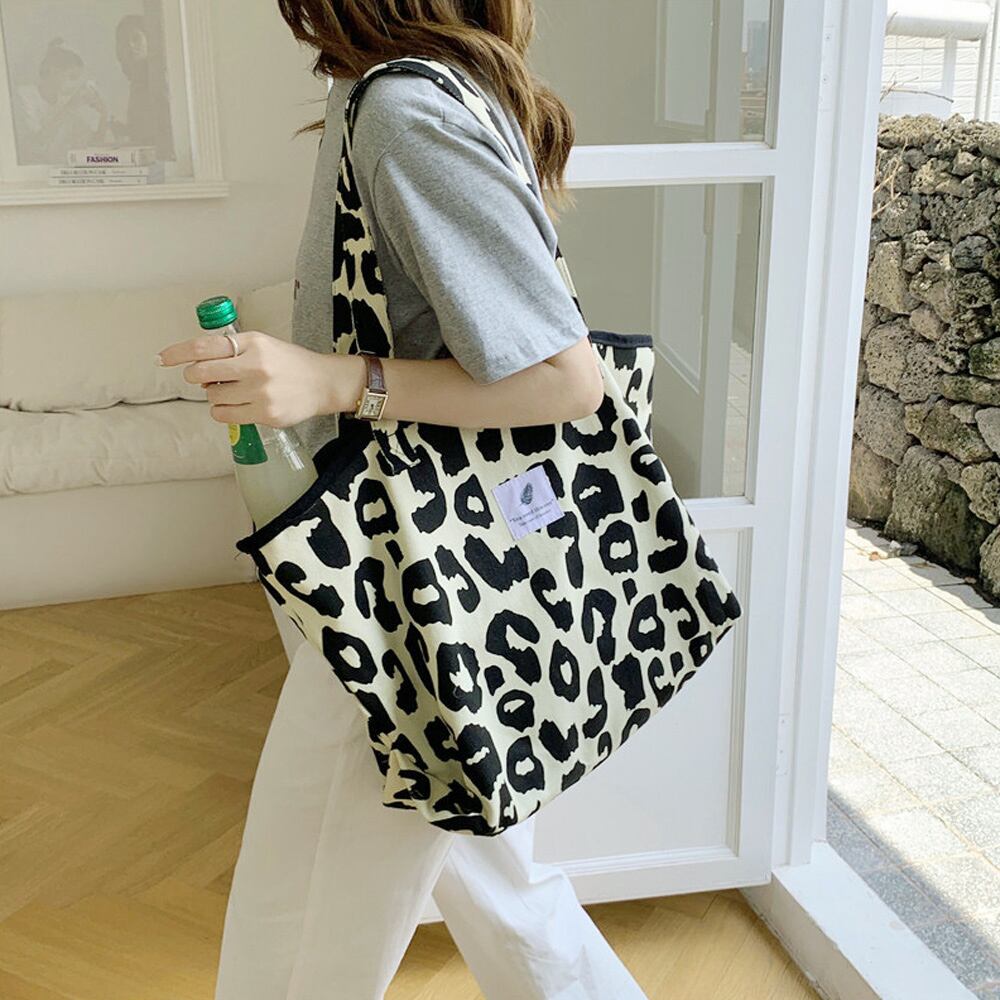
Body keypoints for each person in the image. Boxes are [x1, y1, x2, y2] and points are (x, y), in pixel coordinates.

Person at [155, 2, 649, 997]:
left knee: (295, 935)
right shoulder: (394, 88)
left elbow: (565, 379)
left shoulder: (403, 108)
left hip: (405, 593)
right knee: (503, 888)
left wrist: (335, 380)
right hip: (422, 574)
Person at [13, 38, 110, 164]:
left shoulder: (66, 103)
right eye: (72, 77)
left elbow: (92, 148)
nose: (75, 85)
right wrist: (70, 107)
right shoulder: (24, 95)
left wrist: (104, 115)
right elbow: (34, 144)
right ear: (53, 71)